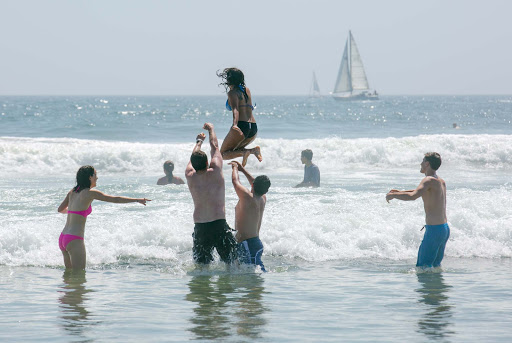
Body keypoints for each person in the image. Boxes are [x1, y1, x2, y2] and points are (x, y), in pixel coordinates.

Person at [57, 165, 150, 270]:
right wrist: (137, 200)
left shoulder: (72, 191)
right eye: (95, 175)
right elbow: (115, 199)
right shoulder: (90, 193)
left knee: (68, 275)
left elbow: (60, 209)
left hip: (63, 237)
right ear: (89, 177)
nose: (97, 178)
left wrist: (73, 213)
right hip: (74, 239)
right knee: (79, 277)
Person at [185, 123, 238, 265]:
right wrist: (211, 130)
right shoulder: (215, 172)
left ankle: (202, 288)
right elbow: (215, 147)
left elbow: (192, 158)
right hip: (219, 225)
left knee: (201, 267)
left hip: (200, 226)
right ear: (208, 161)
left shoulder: (190, 175)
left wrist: (198, 142)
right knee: (231, 264)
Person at [386, 152, 450, 268]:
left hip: (434, 231)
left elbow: (414, 196)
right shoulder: (440, 181)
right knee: (435, 267)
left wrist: (394, 196)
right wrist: (399, 192)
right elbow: (421, 191)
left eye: (422, 161)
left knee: (423, 268)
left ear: (427, 163)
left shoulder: (428, 180)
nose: (420, 164)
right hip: (444, 229)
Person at [229, 161, 270, 272]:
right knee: (254, 275)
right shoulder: (262, 198)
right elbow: (254, 182)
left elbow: (235, 181)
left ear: (253, 185)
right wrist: (242, 169)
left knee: (250, 278)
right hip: (254, 243)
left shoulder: (247, 197)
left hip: (248, 245)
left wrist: (235, 168)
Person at [217, 67, 262, 167]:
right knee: (234, 150)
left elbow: (236, 109)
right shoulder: (247, 90)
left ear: (229, 79)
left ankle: (245, 153)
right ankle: (253, 150)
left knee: (223, 154)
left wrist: (234, 125)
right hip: (253, 127)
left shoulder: (232, 93)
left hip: (242, 126)